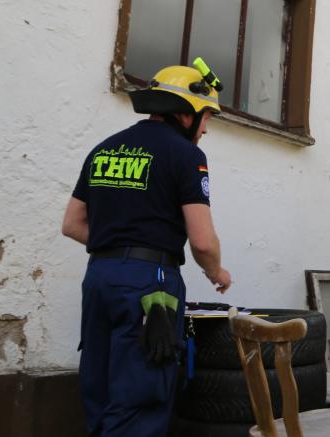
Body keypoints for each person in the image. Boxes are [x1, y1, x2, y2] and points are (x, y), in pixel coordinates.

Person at [61, 59, 232, 436]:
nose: (206, 129)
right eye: (206, 118)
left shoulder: (104, 149)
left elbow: (72, 224)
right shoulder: (186, 156)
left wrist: (118, 243)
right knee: (141, 395)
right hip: (150, 286)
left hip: (100, 279)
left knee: (101, 389)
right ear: (186, 114)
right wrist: (216, 271)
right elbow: (202, 241)